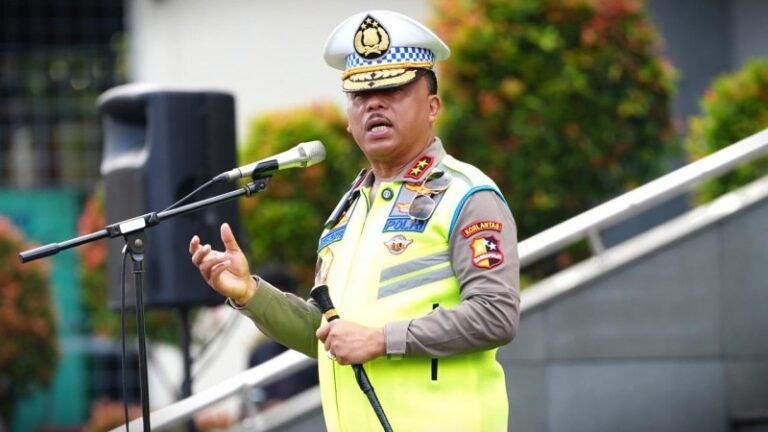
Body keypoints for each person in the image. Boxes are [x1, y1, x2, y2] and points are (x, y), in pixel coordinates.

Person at [190, 10, 520, 431]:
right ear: (349, 118)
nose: (374, 104)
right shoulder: (347, 211)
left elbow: (496, 314)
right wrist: (251, 293)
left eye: (394, 88)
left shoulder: (467, 195)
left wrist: (381, 340)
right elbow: (326, 333)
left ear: (433, 105)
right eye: (360, 95)